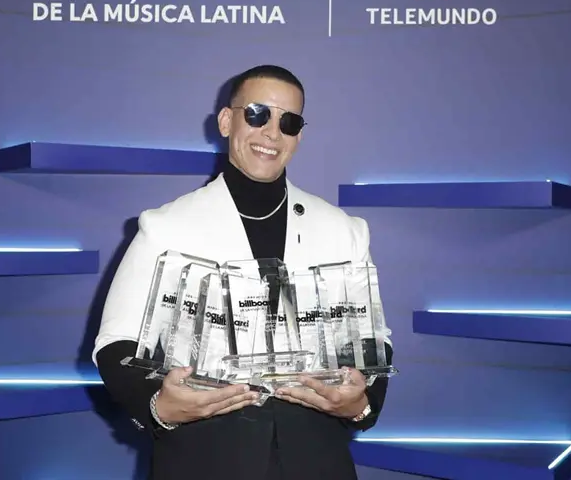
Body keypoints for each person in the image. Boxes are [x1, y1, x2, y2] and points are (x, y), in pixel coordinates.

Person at [93, 64, 393, 480]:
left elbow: (371, 340)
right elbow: (116, 344)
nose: (272, 132)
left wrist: (360, 405)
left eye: (288, 122)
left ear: (298, 136)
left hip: (318, 461)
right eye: (257, 114)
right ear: (226, 120)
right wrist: (158, 406)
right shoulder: (166, 225)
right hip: (201, 459)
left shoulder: (345, 229)